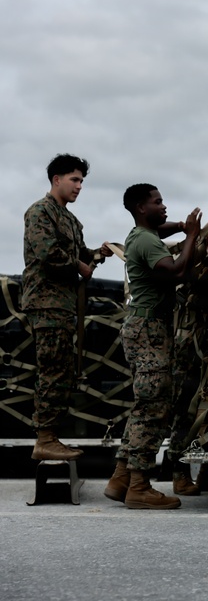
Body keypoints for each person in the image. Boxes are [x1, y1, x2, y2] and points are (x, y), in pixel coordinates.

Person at [102, 184, 201, 509]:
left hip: (145, 326)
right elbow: (177, 270)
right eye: (158, 202)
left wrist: (184, 228)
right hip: (149, 330)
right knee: (154, 406)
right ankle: (140, 486)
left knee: (145, 404)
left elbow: (162, 227)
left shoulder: (140, 234)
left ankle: (121, 478)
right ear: (142, 208)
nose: (164, 206)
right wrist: (192, 236)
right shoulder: (147, 241)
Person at [21, 154, 111, 461]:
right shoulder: (39, 212)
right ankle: (45, 438)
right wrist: (79, 265)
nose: (79, 186)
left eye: (82, 181)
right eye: (74, 179)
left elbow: (78, 253)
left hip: (64, 306)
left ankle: (50, 436)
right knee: (52, 372)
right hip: (46, 303)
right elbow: (48, 253)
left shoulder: (71, 220)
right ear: (56, 179)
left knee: (60, 371)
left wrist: (97, 254)